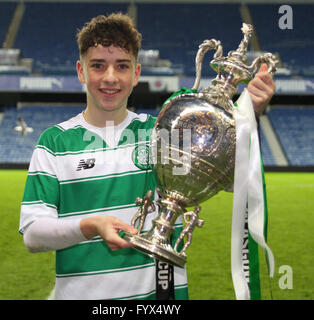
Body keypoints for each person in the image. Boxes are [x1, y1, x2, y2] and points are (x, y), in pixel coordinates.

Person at [19, 13, 275, 300]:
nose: (110, 77)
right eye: (98, 66)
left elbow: (231, 180)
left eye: (122, 66)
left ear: (137, 73)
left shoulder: (166, 131)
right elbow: (33, 234)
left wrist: (248, 115)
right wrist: (90, 226)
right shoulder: (54, 142)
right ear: (81, 71)